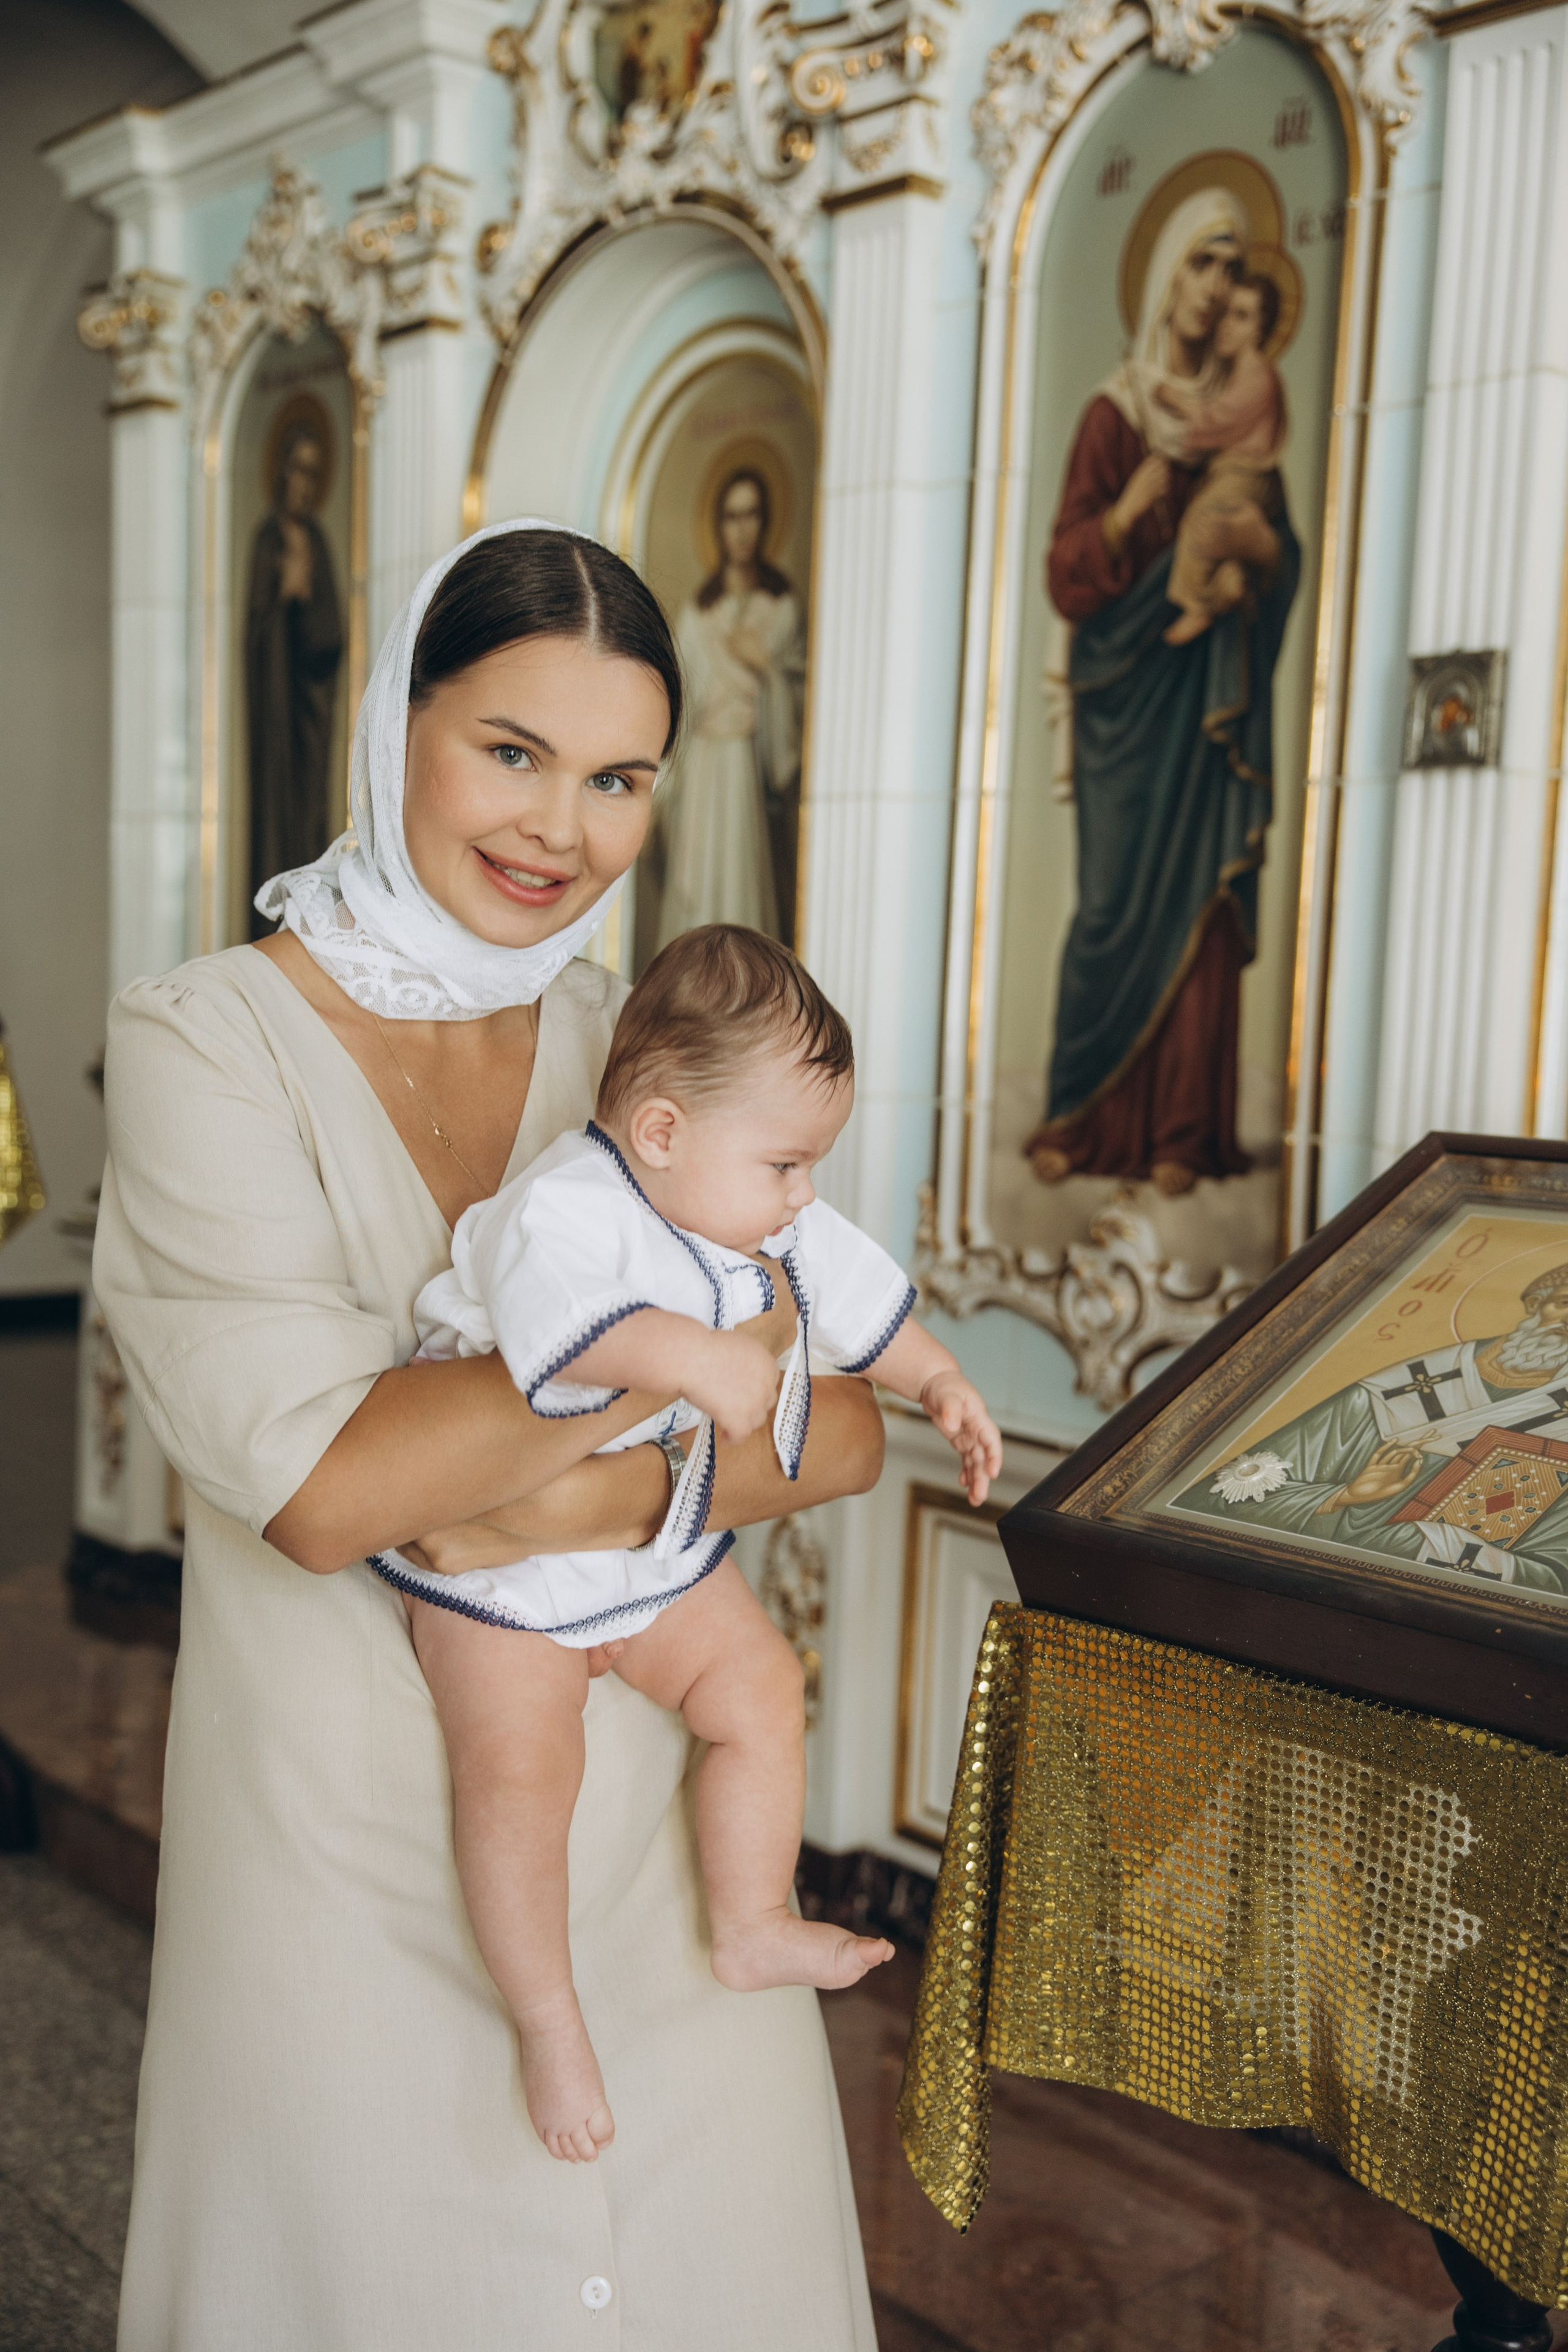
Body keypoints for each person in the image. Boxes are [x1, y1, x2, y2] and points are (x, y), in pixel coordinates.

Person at [94, 519, 887, 2349]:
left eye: (617, 778)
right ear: (394, 729)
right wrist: (672, 1407)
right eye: (510, 749)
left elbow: (833, 1428)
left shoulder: (648, 1043)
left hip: (658, 1852)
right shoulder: (205, 1039)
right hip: (335, 1842)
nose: (560, 828)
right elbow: (324, 1487)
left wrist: (556, 1469)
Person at [385, 922, 1002, 2163]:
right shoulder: (563, 1207)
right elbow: (559, 1341)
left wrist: (938, 1381)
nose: (802, 1195)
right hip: (497, 1560)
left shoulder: (755, 1213)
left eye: (807, 1165)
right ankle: (548, 2019)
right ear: (660, 1131)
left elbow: (856, 1302)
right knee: (518, 1775)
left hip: (647, 1543)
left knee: (762, 1686)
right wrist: (705, 1357)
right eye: (786, 1164)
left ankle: (751, 1916)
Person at [1027, 189, 1300, 1198]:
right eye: (1201, 263)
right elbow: (1067, 571)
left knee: (1206, 906)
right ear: (1166, 274)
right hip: (1123, 696)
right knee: (1108, 906)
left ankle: (1186, 1131)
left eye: (1231, 269)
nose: (1216, 285)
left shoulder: (1239, 412)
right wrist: (1128, 511)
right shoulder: (1118, 412)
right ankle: (1078, 1111)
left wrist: (1259, 558)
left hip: (1209, 692)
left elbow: (1280, 543)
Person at [1177, 1262, 1568, 1596]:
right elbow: (1224, 1498)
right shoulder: (1396, 1389)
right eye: (1565, 1304)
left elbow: (1555, 1575)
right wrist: (1346, 1496)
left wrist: (1456, 1550)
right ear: (1536, 1305)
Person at [656, 469, 804, 949]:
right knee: (696, 889)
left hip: (744, 767)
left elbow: (796, 696)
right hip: (701, 766)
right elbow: (678, 699)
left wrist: (767, 670)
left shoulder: (779, 607)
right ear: (718, 526)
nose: (742, 529)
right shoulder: (699, 615)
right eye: (732, 517)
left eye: (752, 516)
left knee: (740, 883)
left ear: (765, 523)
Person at [244, 420, 343, 925]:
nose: (304, 483)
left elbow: (332, 639)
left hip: (309, 705)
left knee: (308, 813)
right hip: (272, 709)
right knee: (272, 811)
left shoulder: (319, 541)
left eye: (314, 472)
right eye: (298, 470)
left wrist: (305, 603)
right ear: (282, 473)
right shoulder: (268, 538)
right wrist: (281, 597)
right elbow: (254, 630)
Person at [1155, 273, 1287, 646]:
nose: (1226, 326)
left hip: (1247, 474)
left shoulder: (1257, 373)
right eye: (1225, 314)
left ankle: (1199, 604)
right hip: (1232, 472)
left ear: (1261, 330)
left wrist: (1178, 402)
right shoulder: (1238, 373)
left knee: (1201, 521)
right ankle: (1225, 584)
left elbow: (1222, 418)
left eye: (1242, 317)